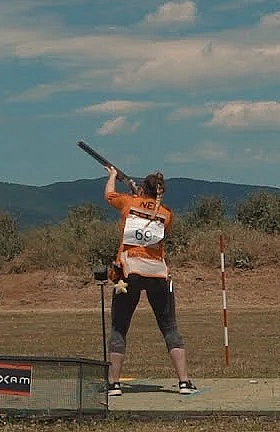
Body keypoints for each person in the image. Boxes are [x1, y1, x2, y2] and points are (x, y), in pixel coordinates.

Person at [103, 166, 195, 396]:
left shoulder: (129, 203)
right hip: (157, 273)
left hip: (129, 272)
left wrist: (113, 176)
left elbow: (109, 196)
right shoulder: (166, 213)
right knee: (170, 326)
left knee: (119, 327)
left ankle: (114, 384)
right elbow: (153, 219)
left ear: (142, 188)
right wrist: (142, 197)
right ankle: (184, 382)